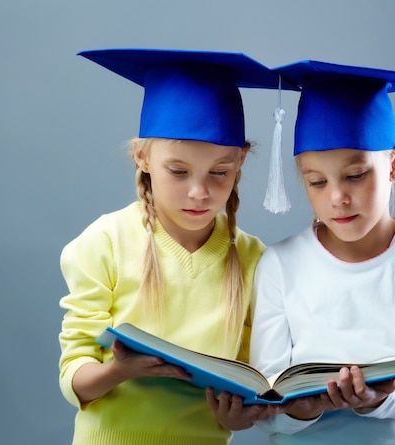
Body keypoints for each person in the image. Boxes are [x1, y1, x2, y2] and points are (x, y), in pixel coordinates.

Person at [58, 48, 287, 445]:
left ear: (241, 161)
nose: (199, 192)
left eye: (220, 172)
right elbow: (75, 380)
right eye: (178, 171)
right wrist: (122, 369)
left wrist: (240, 415)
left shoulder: (254, 260)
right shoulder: (105, 243)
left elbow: (251, 385)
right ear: (142, 156)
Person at [249, 60, 395, 444]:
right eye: (317, 182)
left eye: (355, 175)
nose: (338, 198)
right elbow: (268, 405)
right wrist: (303, 407)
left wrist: (372, 400)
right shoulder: (280, 263)